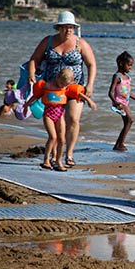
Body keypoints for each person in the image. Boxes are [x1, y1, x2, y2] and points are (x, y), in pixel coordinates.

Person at [27, 11, 96, 168]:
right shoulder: (48, 41)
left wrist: (90, 85)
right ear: (59, 28)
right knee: (55, 122)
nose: (68, 30)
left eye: (71, 27)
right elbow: (34, 59)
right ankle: (53, 154)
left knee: (73, 119)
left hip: (74, 88)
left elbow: (91, 64)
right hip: (53, 89)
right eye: (65, 27)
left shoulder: (81, 44)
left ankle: (69, 154)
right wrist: (31, 73)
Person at [23, 68, 97, 171]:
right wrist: (26, 105)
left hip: (59, 114)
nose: (62, 86)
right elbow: (36, 96)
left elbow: (78, 94)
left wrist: (89, 100)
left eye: (65, 84)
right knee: (53, 137)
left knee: (62, 139)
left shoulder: (65, 88)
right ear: (57, 77)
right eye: (61, 83)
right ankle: (46, 160)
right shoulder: (47, 86)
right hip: (48, 114)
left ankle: (58, 161)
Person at [109, 51, 135, 152]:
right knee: (130, 120)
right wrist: (115, 102)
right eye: (129, 65)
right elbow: (110, 92)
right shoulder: (117, 76)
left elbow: (127, 92)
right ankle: (120, 144)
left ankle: (118, 144)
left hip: (126, 103)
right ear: (122, 64)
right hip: (119, 103)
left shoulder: (127, 77)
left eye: (131, 65)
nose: (130, 67)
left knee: (128, 122)